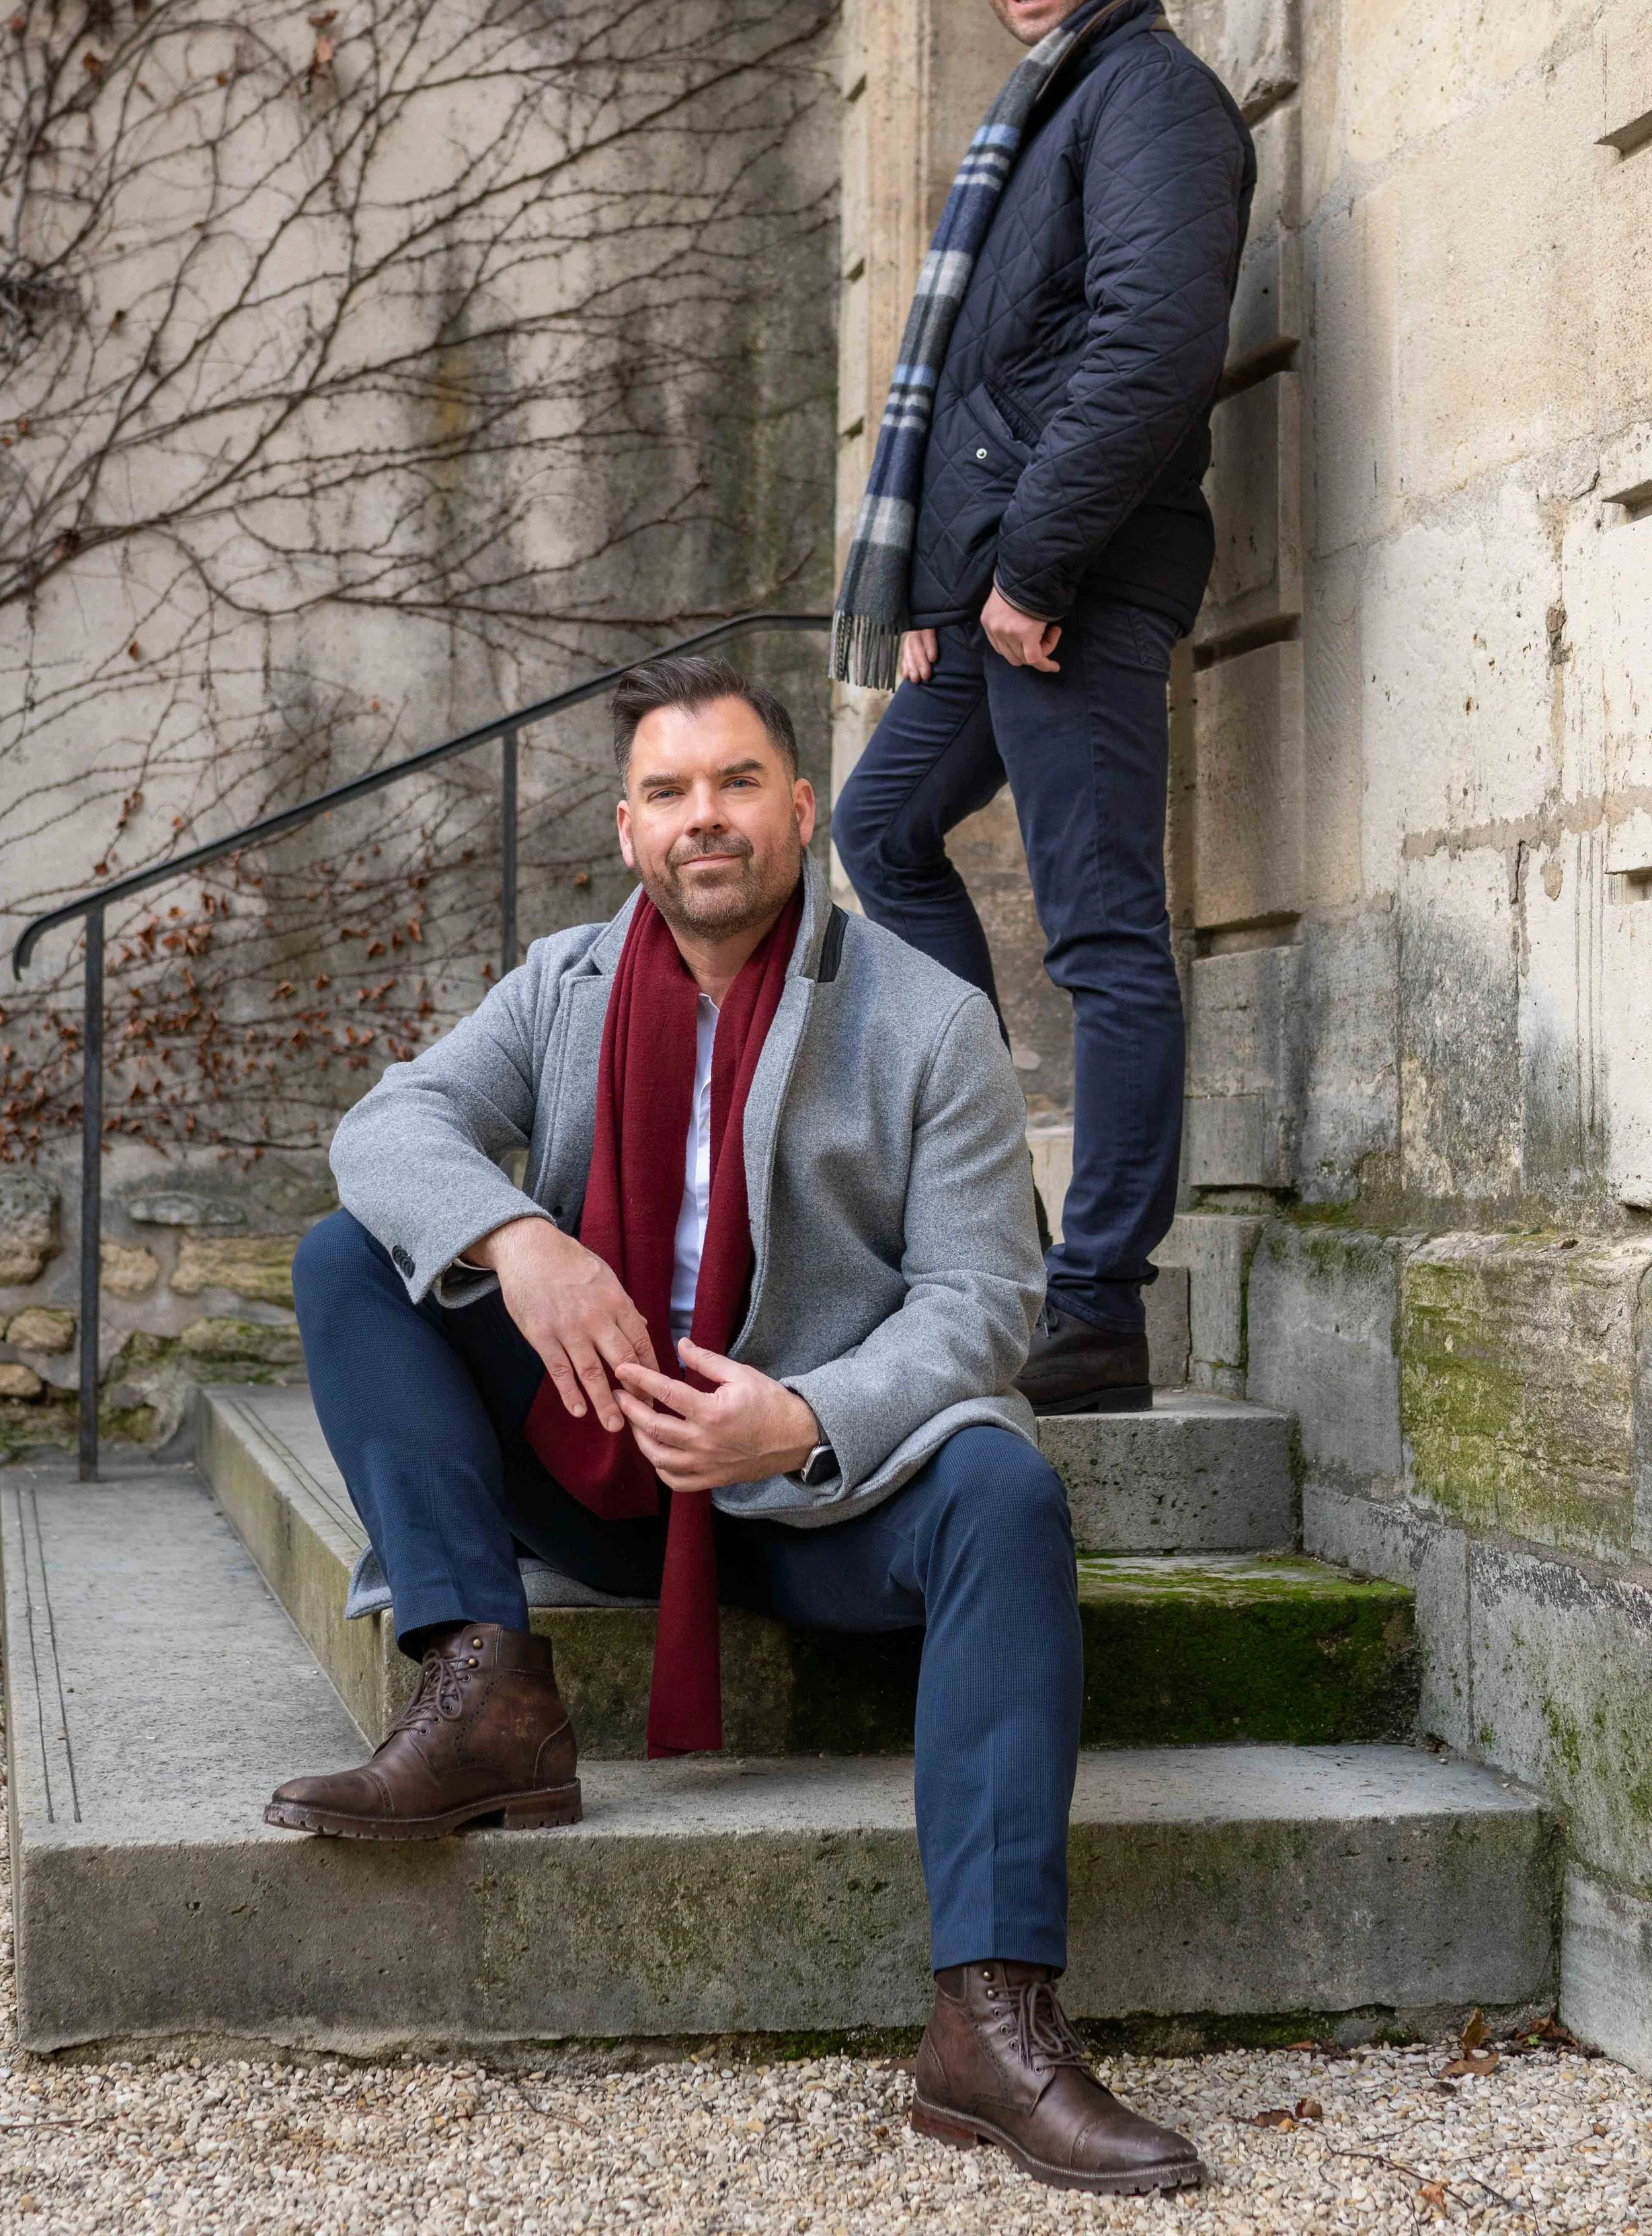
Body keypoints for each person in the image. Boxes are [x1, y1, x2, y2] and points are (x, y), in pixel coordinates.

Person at [269, 653, 1202, 2198]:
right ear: (628, 831)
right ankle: (486, 1688)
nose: (706, 818)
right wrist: (524, 1241)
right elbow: (385, 1127)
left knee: (1004, 1497)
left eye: (736, 782)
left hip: (828, 1497)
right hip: (608, 1466)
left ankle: (989, 2017)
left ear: (800, 808)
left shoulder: (925, 1017)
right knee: (349, 1249)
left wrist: (802, 1418)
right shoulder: (562, 985)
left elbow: (983, 1302)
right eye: (670, 792)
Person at [830, 0, 1257, 1414]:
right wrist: (944, 591)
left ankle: (1093, 1308)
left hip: (1073, 583)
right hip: (1000, 590)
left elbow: (1149, 345)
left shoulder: (1148, 97)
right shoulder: (1040, 112)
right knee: (878, 831)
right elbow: (997, 375)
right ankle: (990, 1245)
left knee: (1097, 935)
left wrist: (1023, 573)